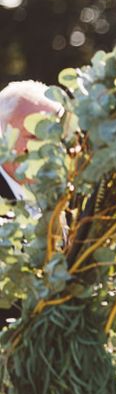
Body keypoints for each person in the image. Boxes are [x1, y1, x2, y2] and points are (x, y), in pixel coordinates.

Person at [0, 80, 62, 328]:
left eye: (53, 135)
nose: (45, 147)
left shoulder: (65, 194)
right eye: (33, 136)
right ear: (2, 133)